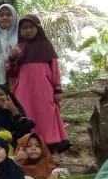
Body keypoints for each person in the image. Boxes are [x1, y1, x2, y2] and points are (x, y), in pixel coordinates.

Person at [7, 15, 69, 154]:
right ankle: (28, 147)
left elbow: (55, 69)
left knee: (46, 115)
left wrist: (58, 89)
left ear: (38, 28)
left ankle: (50, 148)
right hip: (24, 90)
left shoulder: (46, 47)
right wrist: (12, 57)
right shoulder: (18, 48)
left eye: (31, 27)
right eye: (24, 28)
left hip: (44, 89)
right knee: (26, 115)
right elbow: (11, 72)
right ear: (20, 31)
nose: (28, 30)